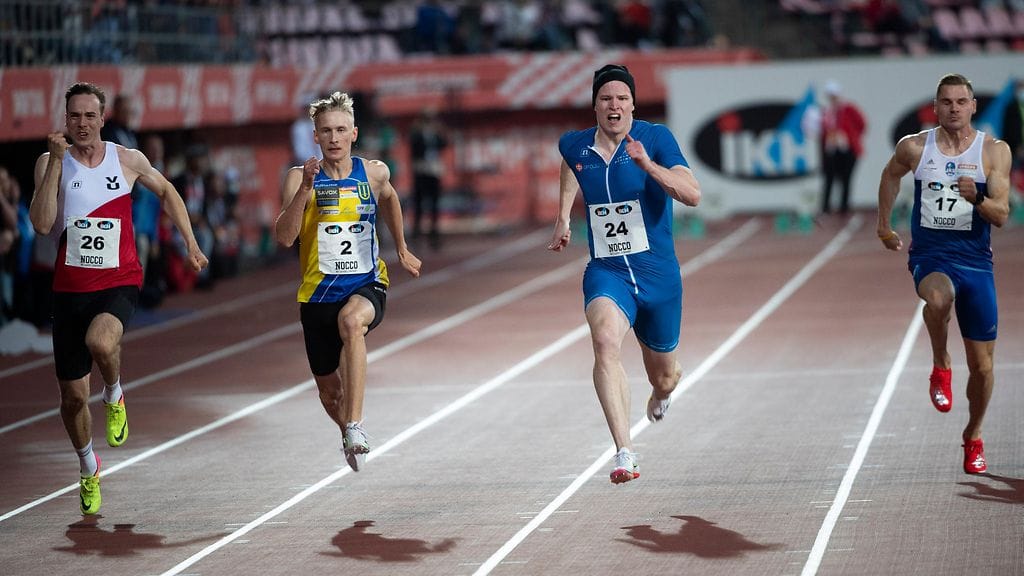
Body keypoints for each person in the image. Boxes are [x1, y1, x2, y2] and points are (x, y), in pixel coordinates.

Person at [28, 82, 208, 514]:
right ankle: (89, 467)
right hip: (69, 290)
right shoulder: (49, 162)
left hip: (119, 279)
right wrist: (55, 163)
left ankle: (113, 392)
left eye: (91, 116)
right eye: (75, 116)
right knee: (72, 399)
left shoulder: (126, 159)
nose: (83, 124)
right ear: (65, 120)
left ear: (103, 119)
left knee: (102, 343)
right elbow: (41, 223)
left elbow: (167, 191)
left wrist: (191, 242)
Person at [547, 64, 701, 484]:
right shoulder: (576, 145)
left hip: (658, 277)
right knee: (604, 341)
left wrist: (648, 165)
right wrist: (563, 215)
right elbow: (569, 163)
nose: (613, 105)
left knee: (664, 375)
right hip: (607, 271)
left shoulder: (656, 139)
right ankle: (624, 451)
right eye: (605, 98)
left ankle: (662, 391)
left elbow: (692, 195)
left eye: (621, 98)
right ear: (595, 105)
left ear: (633, 104)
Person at [274, 91, 421, 473]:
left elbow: (389, 199)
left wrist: (402, 248)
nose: (334, 138)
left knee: (352, 323)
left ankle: (356, 425)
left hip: (367, 283)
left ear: (354, 133)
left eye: (341, 130)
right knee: (328, 391)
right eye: (326, 131)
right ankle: (345, 428)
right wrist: (306, 188)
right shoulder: (297, 178)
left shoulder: (373, 172)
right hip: (317, 294)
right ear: (316, 137)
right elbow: (284, 238)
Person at [876, 73, 1011, 475]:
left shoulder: (993, 152)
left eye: (961, 102)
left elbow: (1002, 215)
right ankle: (940, 365)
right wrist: (884, 225)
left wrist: (979, 198)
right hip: (932, 256)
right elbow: (889, 176)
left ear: (972, 106)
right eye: (946, 102)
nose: (954, 108)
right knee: (938, 298)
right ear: (935, 108)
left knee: (984, 370)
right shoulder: (916, 147)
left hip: (976, 263)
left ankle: (973, 435)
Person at [817, 80, 866, 215]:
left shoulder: (848, 109)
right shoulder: (826, 112)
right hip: (831, 149)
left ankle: (844, 207)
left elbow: (862, 124)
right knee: (829, 178)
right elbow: (821, 130)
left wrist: (850, 137)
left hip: (847, 149)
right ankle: (825, 207)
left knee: (846, 178)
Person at [408, 107, 448, 248]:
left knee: (434, 203)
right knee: (419, 203)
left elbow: (444, 144)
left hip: (434, 169)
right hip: (421, 169)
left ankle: (434, 234)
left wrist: (440, 130)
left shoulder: (436, 132)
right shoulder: (416, 132)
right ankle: (417, 234)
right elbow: (413, 147)